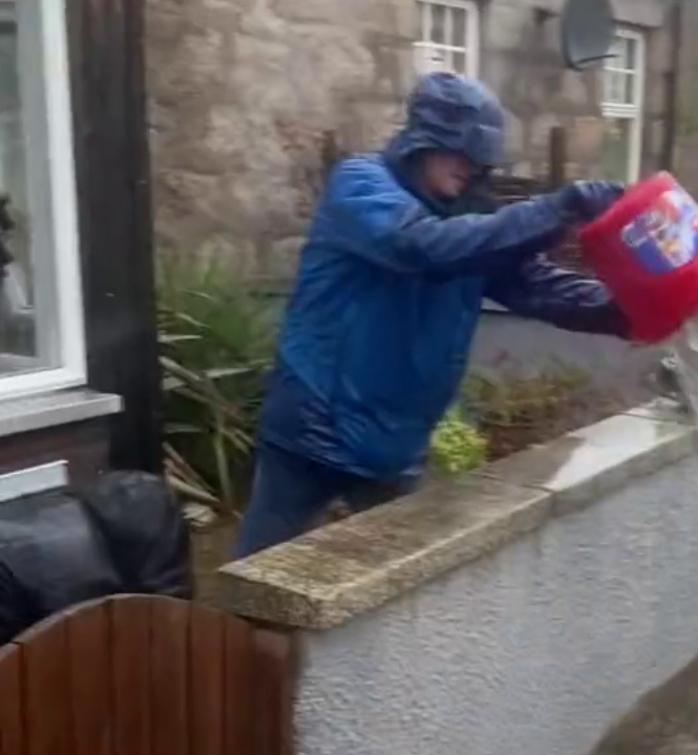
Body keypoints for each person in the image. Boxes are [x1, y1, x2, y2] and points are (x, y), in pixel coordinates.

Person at [235, 72, 631, 557]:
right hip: (314, 428)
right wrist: (559, 208)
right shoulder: (360, 186)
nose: (470, 165)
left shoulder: (468, 224)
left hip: (396, 442)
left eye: (478, 155)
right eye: (458, 150)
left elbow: (534, 286)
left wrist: (624, 313)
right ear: (422, 143)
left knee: (396, 599)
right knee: (260, 580)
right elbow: (421, 247)